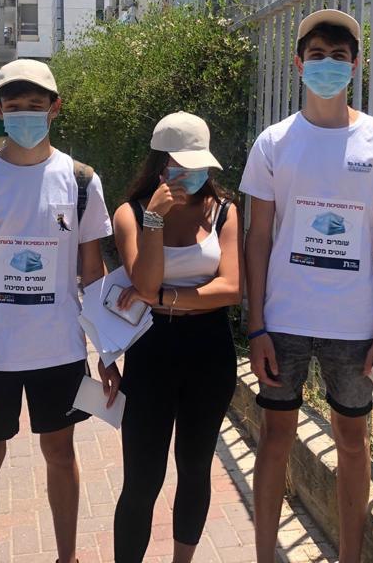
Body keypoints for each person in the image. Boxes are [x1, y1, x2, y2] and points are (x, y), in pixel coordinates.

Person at [240, 9, 373, 563]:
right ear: (298, 64)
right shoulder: (273, 143)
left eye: (339, 56)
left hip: (354, 326)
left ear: (355, 65)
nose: (327, 65)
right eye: (316, 55)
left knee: (353, 443)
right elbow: (257, 238)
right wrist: (256, 327)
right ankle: (264, 555)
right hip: (284, 321)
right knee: (275, 439)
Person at [0, 59, 120, 563]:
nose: (24, 114)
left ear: (54, 108)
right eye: (14, 106)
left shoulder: (81, 182)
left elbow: (93, 273)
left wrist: (107, 352)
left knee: (60, 454)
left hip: (59, 351)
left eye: (35, 105)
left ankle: (67, 557)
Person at [111, 112, 242, 563]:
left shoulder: (223, 211)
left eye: (198, 164)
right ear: (159, 164)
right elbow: (143, 283)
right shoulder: (130, 214)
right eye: (180, 165)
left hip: (210, 352)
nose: (191, 173)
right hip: (151, 353)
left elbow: (232, 288)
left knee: (195, 466)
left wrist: (166, 297)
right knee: (142, 477)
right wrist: (154, 221)